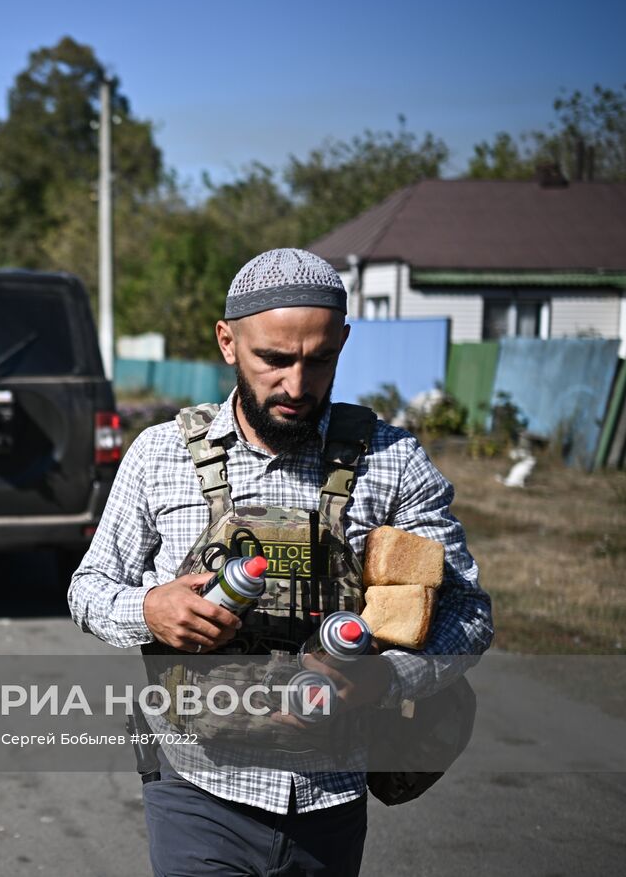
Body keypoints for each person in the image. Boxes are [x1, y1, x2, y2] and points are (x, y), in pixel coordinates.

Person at [68, 248, 493, 876]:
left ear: (342, 342)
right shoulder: (160, 456)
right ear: (228, 342)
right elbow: (88, 588)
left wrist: (387, 678)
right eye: (274, 359)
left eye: (319, 359)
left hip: (331, 798)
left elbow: (468, 616)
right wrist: (149, 608)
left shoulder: (393, 461)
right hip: (194, 789)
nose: (297, 385)